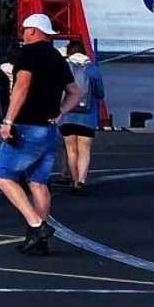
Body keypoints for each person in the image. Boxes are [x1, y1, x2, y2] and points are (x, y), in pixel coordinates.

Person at [0, 12, 82, 256]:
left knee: (3, 176)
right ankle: (38, 240)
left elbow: (21, 86)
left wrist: (8, 120)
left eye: (24, 29)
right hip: (48, 128)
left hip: (26, 126)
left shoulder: (28, 53)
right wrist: (60, 112)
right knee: (39, 183)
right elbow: (75, 92)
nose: (22, 33)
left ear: (33, 30)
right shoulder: (56, 56)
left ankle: (37, 225)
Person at [58, 40, 105, 195]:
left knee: (71, 150)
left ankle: (74, 179)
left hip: (67, 115)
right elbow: (100, 94)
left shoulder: (65, 68)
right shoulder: (92, 70)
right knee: (84, 151)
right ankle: (82, 181)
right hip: (88, 117)